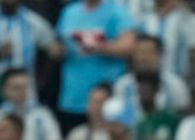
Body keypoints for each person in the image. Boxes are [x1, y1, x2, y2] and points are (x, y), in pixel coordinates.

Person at [56, 0, 138, 131]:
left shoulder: (118, 13)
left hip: (106, 97)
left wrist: (98, 46)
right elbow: (59, 41)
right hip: (72, 96)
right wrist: (57, 50)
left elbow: (129, 47)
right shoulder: (69, 12)